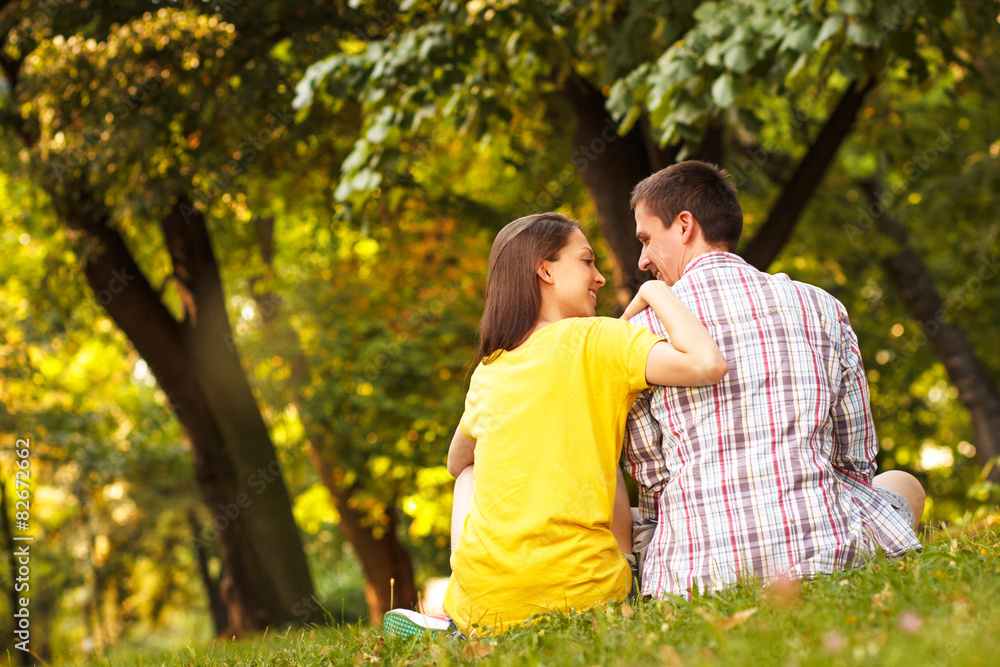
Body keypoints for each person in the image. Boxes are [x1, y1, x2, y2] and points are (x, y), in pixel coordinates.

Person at [384, 212, 727, 638]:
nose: (599, 277)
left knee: (470, 477)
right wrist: (656, 289)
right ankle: (626, 570)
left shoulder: (490, 371)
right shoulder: (599, 338)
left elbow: (458, 462)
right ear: (545, 269)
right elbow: (707, 363)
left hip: (487, 611)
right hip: (591, 599)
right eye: (587, 262)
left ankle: (460, 616)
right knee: (606, 460)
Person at [623, 160, 925, 599]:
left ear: (685, 225)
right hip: (829, 554)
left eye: (647, 239)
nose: (643, 259)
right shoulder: (822, 307)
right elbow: (854, 461)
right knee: (902, 485)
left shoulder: (638, 331)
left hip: (699, 579)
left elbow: (654, 481)